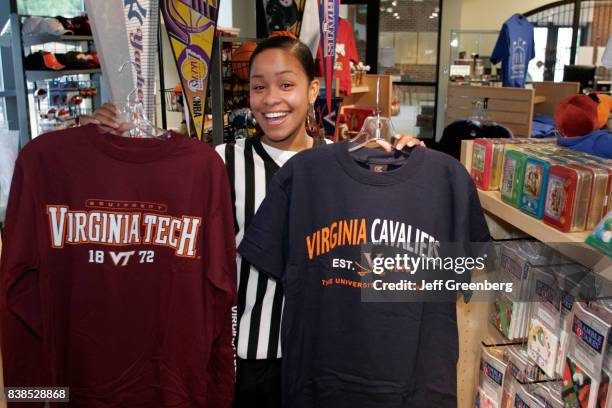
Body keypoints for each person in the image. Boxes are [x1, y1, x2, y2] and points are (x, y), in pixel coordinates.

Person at [80, 34, 424, 407]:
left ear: (312, 90)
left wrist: (409, 162)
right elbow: (146, 197)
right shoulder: (219, 162)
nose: (271, 99)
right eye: (259, 87)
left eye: (286, 84)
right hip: (247, 357)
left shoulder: (346, 165)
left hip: (325, 358)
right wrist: (104, 142)